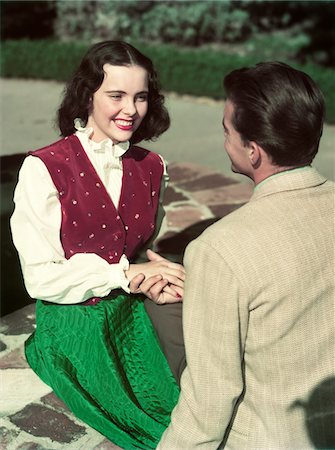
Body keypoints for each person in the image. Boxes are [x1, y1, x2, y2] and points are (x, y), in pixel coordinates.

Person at [10, 40, 186, 449]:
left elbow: (138, 247)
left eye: (140, 97)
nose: (131, 110)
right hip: (74, 317)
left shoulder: (153, 166)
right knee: (155, 422)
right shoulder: (43, 168)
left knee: (193, 384)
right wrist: (126, 273)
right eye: (116, 95)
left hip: (130, 302)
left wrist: (149, 273)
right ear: (87, 95)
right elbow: (40, 280)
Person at [157, 62, 335, 449]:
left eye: (227, 131)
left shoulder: (218, 248)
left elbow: (209, 403)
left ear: (253, 152)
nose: (224, 140)